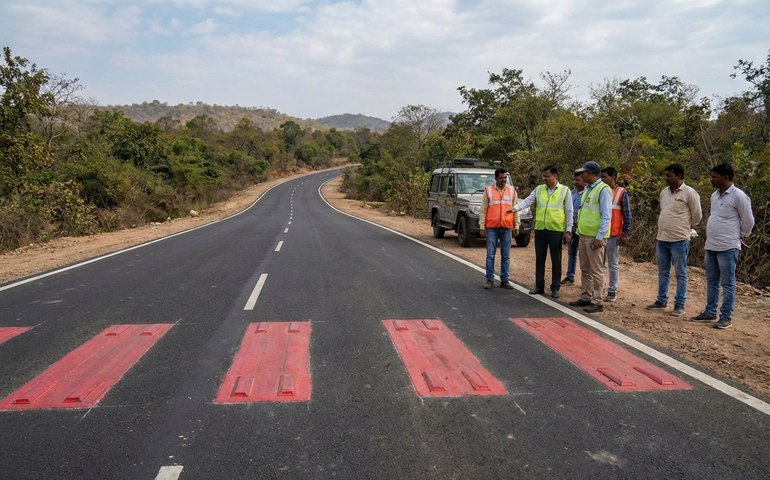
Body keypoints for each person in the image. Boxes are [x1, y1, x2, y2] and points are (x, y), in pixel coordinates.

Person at [692, 163, 754, 329]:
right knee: (712, 281)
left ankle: (726, 316)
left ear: (726, 177)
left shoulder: (739, 196)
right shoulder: (714, 195)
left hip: (728, 246)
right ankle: (710, 312)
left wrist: (740, 235)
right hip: (711, 244)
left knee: (728, 283)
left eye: (715, 176)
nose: (712, 179)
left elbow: (748, 220)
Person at [646, 164, 702, 316]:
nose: (666, 178)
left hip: (679, 239)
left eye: (669, 175)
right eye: (666, 175)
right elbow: (663, 211)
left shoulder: (690, 193)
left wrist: (685, 228)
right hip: (662, 238)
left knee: (680, 273)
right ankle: (661, 300)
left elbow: (697, 216)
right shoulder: (664, 192)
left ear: (678, 176)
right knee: (663, 271)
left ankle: (679, 305)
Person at [512, 165, 573, 298]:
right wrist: (515, 208)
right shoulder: (539, 189)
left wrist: (568, 230)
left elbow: (569, 211)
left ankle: (555, 288)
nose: (544, 178)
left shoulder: (565, 190)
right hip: (540, 229)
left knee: (556, 260)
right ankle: (539, 286)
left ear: (555, 176)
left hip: (556, 230)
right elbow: (528, 201)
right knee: (540, 258)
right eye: (543, 176)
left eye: (547, 176)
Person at [568, 161, 612, 313]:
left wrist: (600, 236)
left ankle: (597, 300)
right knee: (585, 268)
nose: (582, 175)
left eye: (584, 172)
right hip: (583, 234)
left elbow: (606, 216)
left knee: (596, 270)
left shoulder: (603, 190)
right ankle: (586, 296)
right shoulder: (588, 189)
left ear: (591, 173)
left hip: (595, 237)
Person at [479, 168, 520, 289]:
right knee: (490, 255)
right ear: (495, 178)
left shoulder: (512, 191)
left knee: (506, 256)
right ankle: (489, 280)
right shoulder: (488, 191)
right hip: (492, 227)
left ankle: (505, 280)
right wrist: (482, 226)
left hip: (507, 227)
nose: (503, 180)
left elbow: (516, 209)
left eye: (505, 178)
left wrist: (516, 225)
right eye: (501, 178)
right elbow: (483, 210)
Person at [600, 167, 632, 302]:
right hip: (601, 233)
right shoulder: (601, 191)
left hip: (614, 233)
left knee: (612, 263)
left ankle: (612, 290)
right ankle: (599, 289)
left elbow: (627, 214)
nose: (602, 179)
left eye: (605, 177)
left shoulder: (621, 193)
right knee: (600, 264)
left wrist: (626, 233)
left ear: (613, 177)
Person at [561, 168, 586, 285]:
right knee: (572, 253)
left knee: (584, 256)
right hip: (572, 228)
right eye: (575, 180)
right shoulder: (571, 193)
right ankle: (570, 276)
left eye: (579, 180)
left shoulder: (587, 194)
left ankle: (585, 282)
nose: (576, 182)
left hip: (583, 229)